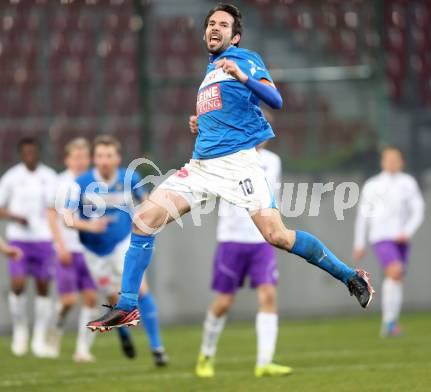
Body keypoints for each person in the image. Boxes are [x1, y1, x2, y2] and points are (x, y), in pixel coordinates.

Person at [89, 3, 374, 335]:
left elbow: (275, 100)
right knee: (142, 220)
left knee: (277, 236)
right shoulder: (209, 73)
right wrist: (201, 124)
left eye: (222, 25)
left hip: (238, 166)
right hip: (200, 167)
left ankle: (350, 277)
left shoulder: (244, 59)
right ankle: (127, 306)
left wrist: (243, 76)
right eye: (210, 23)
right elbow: (227, 113)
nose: (214, 28)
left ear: (235, 36)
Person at [64, 135, 168, 366]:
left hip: (123, 243)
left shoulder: (129, 177)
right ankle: (124, 335)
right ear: (94, 158)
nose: (104, 160)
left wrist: (151, 212)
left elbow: (148, 202)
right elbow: (67, 219)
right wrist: (89, 225)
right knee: (112, 298)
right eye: (100, 156)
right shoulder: (81, 183)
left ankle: (157, 348)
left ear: (117, 158)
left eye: (109, 156)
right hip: (94, 251)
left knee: (140, 289)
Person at [195, 140, 292, 377]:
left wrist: (277, 230)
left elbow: (274, 199)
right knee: (224, 302)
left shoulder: (273, 161)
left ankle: (264, 362)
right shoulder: (228, 155)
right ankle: (206, 355)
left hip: (262, 241)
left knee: (268, 295)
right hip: (232, 239)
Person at [353, 146, 424, 337]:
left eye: (396, 159)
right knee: (394, 272)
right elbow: (363, 216)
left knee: (397, 277)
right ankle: (389, 323)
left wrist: (407, 231)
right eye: (388, 159)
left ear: (402, 162)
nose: (392, 162)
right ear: (382, 162)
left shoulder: (408, 183)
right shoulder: (373, 185)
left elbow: (418, 210)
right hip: (381, 237)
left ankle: (390, 323)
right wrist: (359, 243)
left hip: (401, 238)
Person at [0, 137, 57, 357]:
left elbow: (56, 208)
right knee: (18, 283)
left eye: (33, 152)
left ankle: (39, 336)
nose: (30, 156)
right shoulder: (12, 177)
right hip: (19, 239)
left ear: (38, 153)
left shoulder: (49, 177)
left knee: (43, 287)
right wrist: (15, 216)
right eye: (26, 153)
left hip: (43, 239)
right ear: (21, 154)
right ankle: (20, 329)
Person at [46, 138, 101, 362]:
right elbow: (51, 215)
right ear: (68, 159)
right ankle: (55, 330)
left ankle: (82, 349)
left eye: (84, 157)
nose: (81, 162)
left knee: (91, 299)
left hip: (89, 251)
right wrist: (59, 245)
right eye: (76, 157)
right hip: (67, 249)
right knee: (68, 301)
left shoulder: (95, 183)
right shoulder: (60, 183)